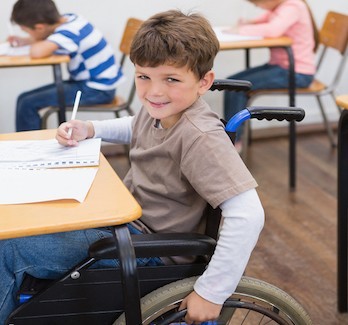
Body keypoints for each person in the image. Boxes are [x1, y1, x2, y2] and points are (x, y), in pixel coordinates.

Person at [0, 10, 264, 324]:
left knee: (10, 249)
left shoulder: (200, 136)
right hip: (127, 224)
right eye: (144, 77)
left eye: (171, 79)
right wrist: (90, 128)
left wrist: (212, 291)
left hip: (147, 250)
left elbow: (248, 215)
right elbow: (133, 125)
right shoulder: (163, 109)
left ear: (204, 81)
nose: (154, 91)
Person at [7, 0, 124, 132]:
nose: (29, 35)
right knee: (24, 98)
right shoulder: (71, 19)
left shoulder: (68, 32)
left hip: (97, 90)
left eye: (27, 31)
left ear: (40, 27)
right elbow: (47, 41)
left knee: (27, 103)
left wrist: (32, 42)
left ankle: (28, 149)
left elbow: (37, 52)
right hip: (94, 84)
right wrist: (26, 40)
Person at [224, 0, 319, 147]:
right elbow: (262, 21)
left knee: (237, 88)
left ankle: (233, 143)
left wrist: (240, 30)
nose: (257, 7)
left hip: (297, 73)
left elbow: (273, 29)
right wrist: (248, 23)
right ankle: (230, 137)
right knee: (233, 83)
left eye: (257, 4)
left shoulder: (293, 6)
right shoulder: (279, 8)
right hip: (280, 67)